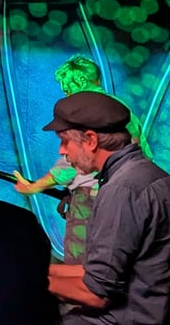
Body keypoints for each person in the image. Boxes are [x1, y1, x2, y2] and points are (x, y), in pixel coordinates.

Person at [44, 91, 170, 324]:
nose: (62, 150)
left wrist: (25, 278)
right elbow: (99, 271)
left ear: (91, 140)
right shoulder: (152, 175)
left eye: (65, 141)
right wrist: (34, 268)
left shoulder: (121, 191)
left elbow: (97, 293)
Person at [14, 55, 151, 264]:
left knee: (82, 266)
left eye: (66, 88)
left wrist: (35, 187)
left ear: (77, 82)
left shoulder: (86, 112)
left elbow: (72, 165)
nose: (66, 93)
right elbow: (144, 154)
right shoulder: (121, 109)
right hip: (126, 196)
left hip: (91, 199)